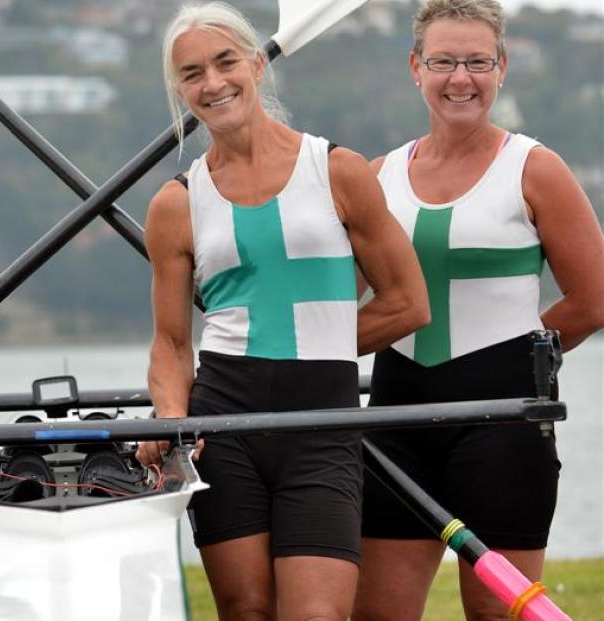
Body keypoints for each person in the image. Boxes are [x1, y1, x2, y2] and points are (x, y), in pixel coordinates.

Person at [135, 3, 429, 620]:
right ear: (179, 90)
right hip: (223, 427)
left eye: (224, 62)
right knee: (245, 612)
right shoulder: (175, 204)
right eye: (192, 74)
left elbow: (407, 303)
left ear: (256, 65)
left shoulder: (338, 171)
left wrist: (311, 341)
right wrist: (171, 421)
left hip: (322, 426)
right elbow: (170, 345)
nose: (212, 84)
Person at [352, 1, 604, 620]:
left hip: (503, 423)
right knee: (376, 615)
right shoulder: (377, 176)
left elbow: (594, 298)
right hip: (395, 420)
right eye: (443, 62)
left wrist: (520, 353)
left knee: (498, 614)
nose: (459, 78)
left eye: (477, 62)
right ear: (416, 67)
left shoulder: (535, 169)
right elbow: (335, 303)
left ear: (502, 68)